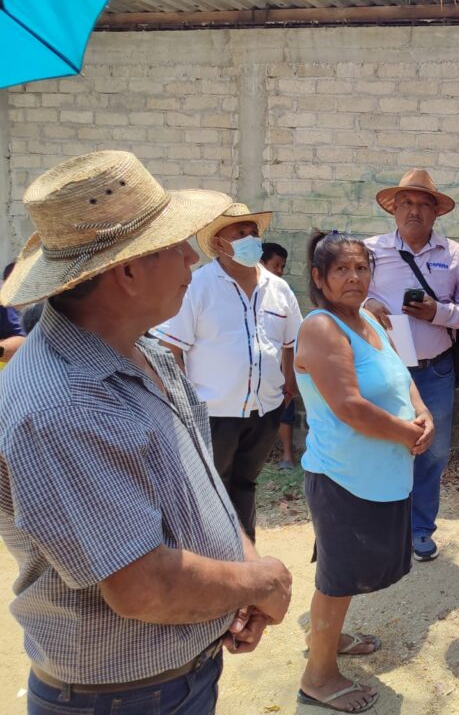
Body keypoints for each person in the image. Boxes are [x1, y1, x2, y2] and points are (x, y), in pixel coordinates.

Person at [0, 150, 292, 715]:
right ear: (128, 272)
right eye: (174, 245)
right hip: (127, 696)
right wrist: (261, 584)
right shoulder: (66, 405)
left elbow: (201, 486)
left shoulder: (144, 351)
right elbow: (143, 587)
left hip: (172, 676)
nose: (191, 256)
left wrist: (244, 571)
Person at [295, 231, 434, 713]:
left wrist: (423, 413)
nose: (354, 277)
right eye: (342, 269)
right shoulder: (321, 327)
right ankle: (318, 677)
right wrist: (406, 433)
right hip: (344, 476)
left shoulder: (369, 319)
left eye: (361, 268)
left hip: (378, 473)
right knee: (337, 578)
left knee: (347, 570)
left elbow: (401, 376)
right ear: (319, 278)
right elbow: (350, 406)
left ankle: (328, 638)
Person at [153, 204, 302, 541]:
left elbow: (291, 344)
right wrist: (186, 402)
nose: (251, 239)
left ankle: (245, 550)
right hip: (213, 413)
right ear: (219, 244)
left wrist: (287, 388)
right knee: (212, 487)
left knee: (245, 484)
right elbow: (171, 349)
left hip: (265, 410)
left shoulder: (278, 289)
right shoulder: (197, 286)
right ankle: (213, 556)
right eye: (240, 234)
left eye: (254, 233)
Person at [363, 169, 459, 562]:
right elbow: (343, 297)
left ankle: (421, 529)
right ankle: (382, 528)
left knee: (432, 452)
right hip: (383, 370)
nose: (414, 211)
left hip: (434, 370)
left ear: (435, 212)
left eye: (423, 204)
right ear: (393, 209)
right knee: (381, 446)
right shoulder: (369, 251)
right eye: (406, 203)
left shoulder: (454, 255)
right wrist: (366, 305)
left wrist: (437, 313)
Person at [260, 241, 298, 470]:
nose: (280, 271)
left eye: (283, 266)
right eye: (276, 265)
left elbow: (289, 343)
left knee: (286, 410)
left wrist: (289, 379)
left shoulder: (283, 293)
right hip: (255, 372)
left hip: (279, 366)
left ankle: (287, 456)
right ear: (261, 263)